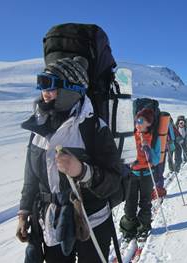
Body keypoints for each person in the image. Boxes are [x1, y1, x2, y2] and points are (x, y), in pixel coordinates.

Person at [16, 56, 122, 263]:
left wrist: (82, 171)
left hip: (91, 223)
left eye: (49, 84)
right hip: (51, 221)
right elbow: (31, 178)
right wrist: (24, 212)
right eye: (41, 83)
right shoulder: (38, 126)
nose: (43, 91)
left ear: (70, 88)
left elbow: (113, 181)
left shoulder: (94, 127)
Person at [119, 108, 161, 240]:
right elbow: (124, 154)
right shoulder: (131, 135)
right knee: (130, 203)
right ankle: (128, 228)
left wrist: (148, 149)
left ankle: (144, 227)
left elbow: (155, 160)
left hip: (147, 174)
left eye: (141, 120)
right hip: (132, 174)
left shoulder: (154, 138)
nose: (137, 122)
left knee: (145, 202)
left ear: (149, 123)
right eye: (136, 120)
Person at [152, 118, 176, 199]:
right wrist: (171, 141)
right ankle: (159, 189)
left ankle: (154, 189)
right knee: (160, 169)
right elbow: (172, 135)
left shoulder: (149, 118)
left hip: (151, 148)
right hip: (162, 148)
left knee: (152, 170)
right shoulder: (164, 120)